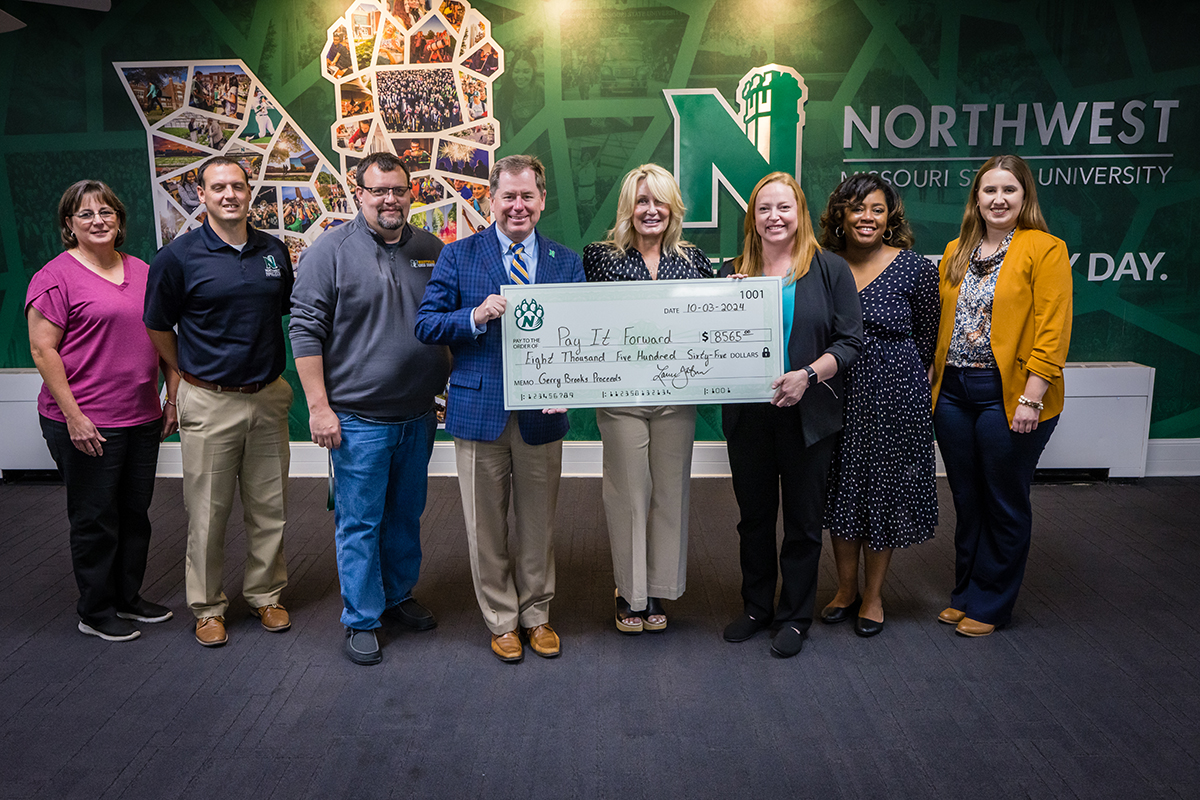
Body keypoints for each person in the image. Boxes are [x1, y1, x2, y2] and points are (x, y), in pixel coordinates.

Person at [416, 154, 584, 664]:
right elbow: (427, 324)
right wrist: (473, 315)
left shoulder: (564, 261)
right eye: (507, 196)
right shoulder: (458, 255)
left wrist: (569, 385)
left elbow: (578, 336)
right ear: (491, 200)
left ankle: (536, 614)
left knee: (538, 524)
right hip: (479, 409)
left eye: (527, 196)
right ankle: (501, 619)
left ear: (542, 200)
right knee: (484, 527)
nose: (517, 205)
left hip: (542, 414)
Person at [290, 152, 451, 666]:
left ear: (411, 193)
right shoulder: (329, 252)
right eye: (378, 190)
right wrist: (319, 408)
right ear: (358, 193)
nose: (390, 199)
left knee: (405, 514)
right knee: (359, 521)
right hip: (358, 419)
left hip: (418, 415)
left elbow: (445, 320)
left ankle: (398, 595)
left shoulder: (431, 249)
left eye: (398, 189)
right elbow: (305, 330)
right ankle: (361, 618)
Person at [143, 156, 296, 649]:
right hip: (208, 400)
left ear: (250, 193)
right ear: (202, 195)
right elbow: (157, 326)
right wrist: (184, 376)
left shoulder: (273, 251)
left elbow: (285, 311)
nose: (229, 195)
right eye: (218, 187)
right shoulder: (179, 257)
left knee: (269, 508)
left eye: (238, 186)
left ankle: (266, 595)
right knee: (207, 513)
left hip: (269, 397)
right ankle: (208, 607)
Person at [719, 172, 862, 659]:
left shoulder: (829, 270)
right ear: (753, 218)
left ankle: (795, 616)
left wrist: (806, 374)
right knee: (754, 519)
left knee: (803, 521)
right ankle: (757, 607)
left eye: (784, 207)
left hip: (809, 414)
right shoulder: (730, 272)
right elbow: (705, 339)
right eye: (764, 209)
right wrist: (723, 305)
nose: (774, 217)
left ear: (799, 213)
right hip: (749, 417)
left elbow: (849, 343)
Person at [26, 180, 177, 642]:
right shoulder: (55, 277)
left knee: (135, 512)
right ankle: (95, 610)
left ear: (119, 220)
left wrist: (172, 398)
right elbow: (42, 349)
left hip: (141, 416)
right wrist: (74, 416)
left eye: (106, 212)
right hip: (85, 420)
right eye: (86, 214)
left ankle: (128, 598)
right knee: (95, 517)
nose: (98, 221)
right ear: (69, 225)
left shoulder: (144, 272)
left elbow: (167, 339)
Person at [930, 154, 1073, 638]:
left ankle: (992, 603)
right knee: (968, 499)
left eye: (1009, 190)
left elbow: (1053, 332)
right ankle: (967, 592)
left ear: (1024, 196)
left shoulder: (1045, 249)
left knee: (1003, 500)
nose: (998, 199)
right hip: (951, 393)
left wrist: (1032, 398)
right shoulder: (956, 249)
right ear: (976, 198)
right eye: (989, 190)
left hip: (1008, 394)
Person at [582, 164, 712, 635]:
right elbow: (579, 321)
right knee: (629, 494)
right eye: (641, 201)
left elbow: (710, 321)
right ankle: (629, 591)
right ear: (627, 208)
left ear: (673, 207)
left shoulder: (694, 259)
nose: (650, 210)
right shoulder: (599, 257)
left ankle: (657, 586)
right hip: (620, 395)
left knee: (670, 493)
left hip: (677, 395)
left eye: (659, 201)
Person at [817, 174, 939, 637]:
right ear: (840, 216)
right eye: (856, 208)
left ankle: (872, 596)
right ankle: (845, 590)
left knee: (883, 493)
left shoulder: (915, 269)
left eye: (877, 209)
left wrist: (909, 388)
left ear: (890, 217)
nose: (866, 217)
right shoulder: (824, 265)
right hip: (835, 391)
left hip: (894, 395)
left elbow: (928, 339)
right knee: (841, 490)